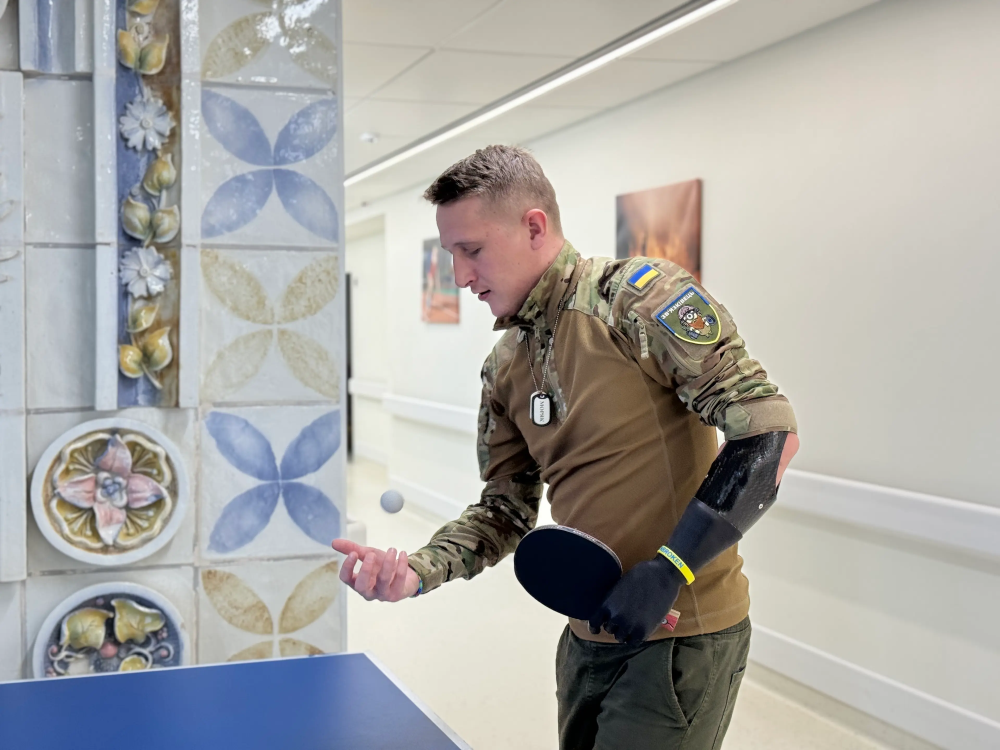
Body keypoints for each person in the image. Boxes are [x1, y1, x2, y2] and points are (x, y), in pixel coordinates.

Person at [332, 145, 799, 750]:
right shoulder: (504, 365)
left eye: (472, 250)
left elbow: (768, 433)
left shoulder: (636, 302)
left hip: (681, 636)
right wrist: (416, 572)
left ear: (534, 227)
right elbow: (505, 509)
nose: (460, 276)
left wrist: (670, 569)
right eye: (451, 254)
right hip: (587, 634)